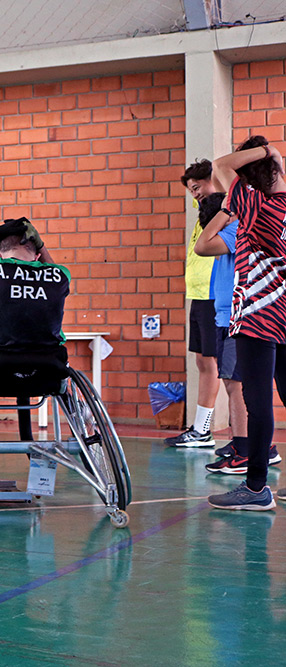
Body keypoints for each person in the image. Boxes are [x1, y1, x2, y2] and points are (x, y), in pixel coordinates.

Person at [207, 135, 286, 510]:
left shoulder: (255, 205)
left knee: (258, 403)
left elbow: (220, 165)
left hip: (258, 317)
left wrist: (268, 149)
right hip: (284, 316)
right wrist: (278, 162)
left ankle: (255, 488)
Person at [0, 218, 69, 440]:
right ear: (37, 255)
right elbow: (50, 267)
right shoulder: (61, 275)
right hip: (49, 368)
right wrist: (41, 245)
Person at [193, 194, 280, 474]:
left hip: (237, 316)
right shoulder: (231, 228)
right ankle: (247, 443)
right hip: (224, 315)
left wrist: (226, 212)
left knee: (236, 385)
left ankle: (246, 450)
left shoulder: (234, 228)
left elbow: (201, 246)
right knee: (234, 383)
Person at [166, 161, 220, 447]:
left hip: (214, 296)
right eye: (191, 191)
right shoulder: (204, 216)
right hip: (197, 296)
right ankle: (199, 428)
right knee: (201, 360)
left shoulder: (223, 212)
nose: (195, 195)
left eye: (197, 188)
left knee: (213, 364)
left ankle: (204, 430)